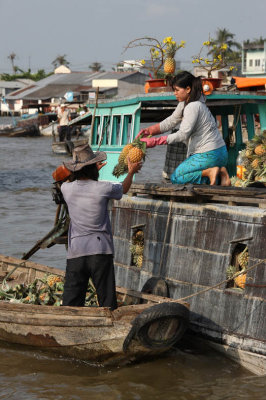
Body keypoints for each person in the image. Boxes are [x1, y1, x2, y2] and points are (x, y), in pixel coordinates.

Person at [60, 144, 142, 310]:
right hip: (100, 250)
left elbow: (66, 178)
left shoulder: (66, 189)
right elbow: (124, 188)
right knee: (107, 302)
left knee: (71, 304)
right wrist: (131, 171)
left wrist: (84, 168)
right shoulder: (104, 188)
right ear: (93, 169)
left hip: (76, 252)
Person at [138, 71, 231, 186]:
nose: (175, 93)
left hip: (208, 155)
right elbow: (171, 121)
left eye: (177, 90)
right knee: (199, 178)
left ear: (188, 89)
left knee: (177, 177)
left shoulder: (193, 106)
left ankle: (211, 171)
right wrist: (149, 130)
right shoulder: (187, 103)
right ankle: (221, 175)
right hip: (221, 153)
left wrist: (156, 141)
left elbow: (183, 134)